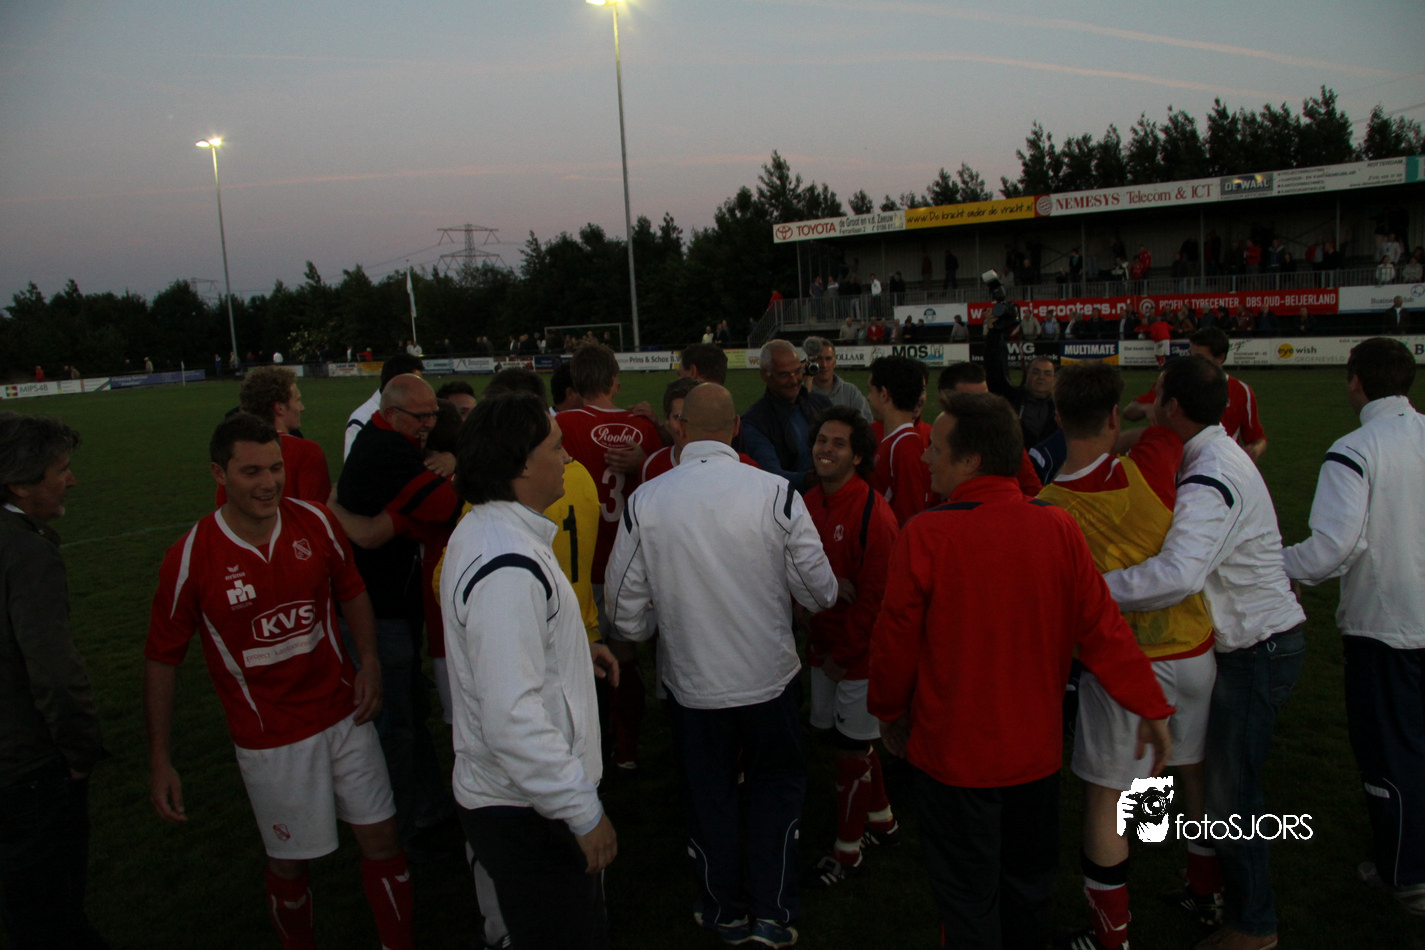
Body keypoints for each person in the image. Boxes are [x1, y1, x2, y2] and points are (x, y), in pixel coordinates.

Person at [868, 391, 1172, 950]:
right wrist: (1149, 703)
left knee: (967, 900)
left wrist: (888, 712)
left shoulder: (927, 534)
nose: (924, 456)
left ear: (971, 460)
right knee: (1028, 890)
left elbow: (894, 645)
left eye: (937, 448)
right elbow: (1103, 628)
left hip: (954, 760)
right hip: (1034, 759)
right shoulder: (1056, 527)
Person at [145, 414, 413, 950]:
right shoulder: (191, 556)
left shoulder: (315, 521)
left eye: (275, 468)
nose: (268, 482)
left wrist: (369, 661)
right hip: (269, 737)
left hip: (344, 713)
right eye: (251, 472)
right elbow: (161, 659)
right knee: (290, 863)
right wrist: (160, 758)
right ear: (218, 473)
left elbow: (351, 589)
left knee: (383, 839)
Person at [606, 383, 839, 949]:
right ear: (736, 428)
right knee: (775, 790)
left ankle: (725, 909)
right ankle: (773, 911)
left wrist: (667, 616)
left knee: (708, 796)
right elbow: (821, 591)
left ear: (681, 428)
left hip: (694, 685)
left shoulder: (648, 500)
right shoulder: (776, 493)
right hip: (768, 678)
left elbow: (623, 614)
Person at [1103, 355, 1305, 950]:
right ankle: (1211, 890)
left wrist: (1089, 590)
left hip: (1258, 648)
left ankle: (1253, 924)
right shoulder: (1213, 456)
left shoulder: (1209, 473)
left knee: (1232, 793)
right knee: (1213, 780)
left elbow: (1178, 574)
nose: (1150, 403)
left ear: (1171, 407)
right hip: (1255, 643)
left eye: (1157, 394)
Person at [1040, 363, 1218, 950]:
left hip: (1124, 666)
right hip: (1193, 650)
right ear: (1115, 417)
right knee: (1189, 770)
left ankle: (1110, 935)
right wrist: (1134, 422)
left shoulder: (1048, 509)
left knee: (1106, 798)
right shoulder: (1155, 459)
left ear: (1058, 417)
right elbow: (1161, 430)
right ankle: (1205, 889)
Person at [439, 393, 618, 950]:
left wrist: (572, 652)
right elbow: (511, 716)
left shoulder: (493, 534)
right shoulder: (506, 566)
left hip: (523, 801)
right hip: (528, 809)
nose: (567, 458)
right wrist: (582, 810)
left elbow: (507, 656)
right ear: (519, 464)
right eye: (556, 447)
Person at [1282, 338, 1425, 916]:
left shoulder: (1355, 448)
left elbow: (1331, 550)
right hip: (1406, 618)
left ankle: (1407, 874)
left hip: (1386, 624)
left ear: (1355, 380)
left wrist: (1273, 565)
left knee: (1391, 751)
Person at [337, 374, 462, 858]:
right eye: (421, 416)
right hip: (377, 610)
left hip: (390, 606)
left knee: (408, 713)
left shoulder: (391, 443)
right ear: (390, 414)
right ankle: (396, 835)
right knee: (393, 722)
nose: (428, 424)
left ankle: (427, 807)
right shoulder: (387, 450)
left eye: (434, 414)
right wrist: (417, 511)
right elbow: (446, 505)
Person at [0, 414, 108, 950]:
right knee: (53, 922)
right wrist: (80, 752)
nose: (72, 480)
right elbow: (56, 674)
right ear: (20, 484)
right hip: (28, 772)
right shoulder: (26, 551)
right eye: (61, 469)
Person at [801, 406, 901, 887]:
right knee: (851, 742)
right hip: (823, 649)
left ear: (858, 456)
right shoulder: (806, 501)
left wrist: (844, 655)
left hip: (857, 657)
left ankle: (847, 852)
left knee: (849, 750)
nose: (826, 449)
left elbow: (878, 600)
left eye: (838, 443)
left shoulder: (873, 514)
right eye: (822, 440)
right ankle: (881, 819)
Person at [557, 342, 663, 771]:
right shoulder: (643, 427)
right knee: (625, 654)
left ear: (575, 381)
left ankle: (590, 748)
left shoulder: (562, 424)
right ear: (615, 381)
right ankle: (628, 749)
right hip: (632, 562)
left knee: (582, 658)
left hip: (581, 562)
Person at [1123, 328, 1267, 462]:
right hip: (1175, 466)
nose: (1192, 362)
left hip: (1219, 465)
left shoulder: (1242, 391)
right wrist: (1146, 408)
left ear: (1220, 358)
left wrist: (1256, 449)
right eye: (1190, 355)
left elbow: (1257, 438)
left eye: (1199, 358)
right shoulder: (1174, 382)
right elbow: (1129, 412)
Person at [218, 366, 330, 506]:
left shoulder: (233, 452)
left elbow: (224, 508)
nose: (302, 408)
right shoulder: (307, 451)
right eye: (297, 400)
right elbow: (316, 512)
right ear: (280, 408)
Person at [741, 339, 833, 492]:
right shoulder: (754, 422)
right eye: (784, 374)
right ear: (765, 375)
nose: (794, 380)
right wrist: (811, 480)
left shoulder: (822, 404)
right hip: (790, 502)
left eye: (797, 371)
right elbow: (770, 474)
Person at [867, 355, 932, 526]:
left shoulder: (904, 446)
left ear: (884, 395)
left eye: (870, 391)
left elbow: (909, 516)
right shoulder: (897, 441)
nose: (868, 398)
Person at [343, 352, 424, 460]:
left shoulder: (423, 414)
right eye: (415, 384)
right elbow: (353, 467)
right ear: (396, 384)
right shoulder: (361, 419)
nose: (421, 390)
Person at [802, 336, 873, 424]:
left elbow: (866, 423)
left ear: (835, 362)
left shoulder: (851, 392)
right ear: (810, 362)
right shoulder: (801, 391)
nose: (824, 365)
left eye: (828, 359)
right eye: (819, 359)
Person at [1010, 356, 1059, 449]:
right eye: (1036, 372)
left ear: (1054, 378)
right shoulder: (1011, 399)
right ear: (1027, 374)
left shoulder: (1061, 406)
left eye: (1047, 374)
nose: (1041, 377)